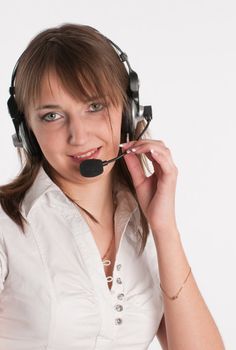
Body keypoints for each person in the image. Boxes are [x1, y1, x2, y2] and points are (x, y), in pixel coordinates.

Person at [0, 23, 224, 350]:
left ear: (128, 113)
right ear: (27, 131)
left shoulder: (144, 225)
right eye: (51, 116)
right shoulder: (7, 226)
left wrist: (164, 229)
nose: (79, 135)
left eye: (95, 106)